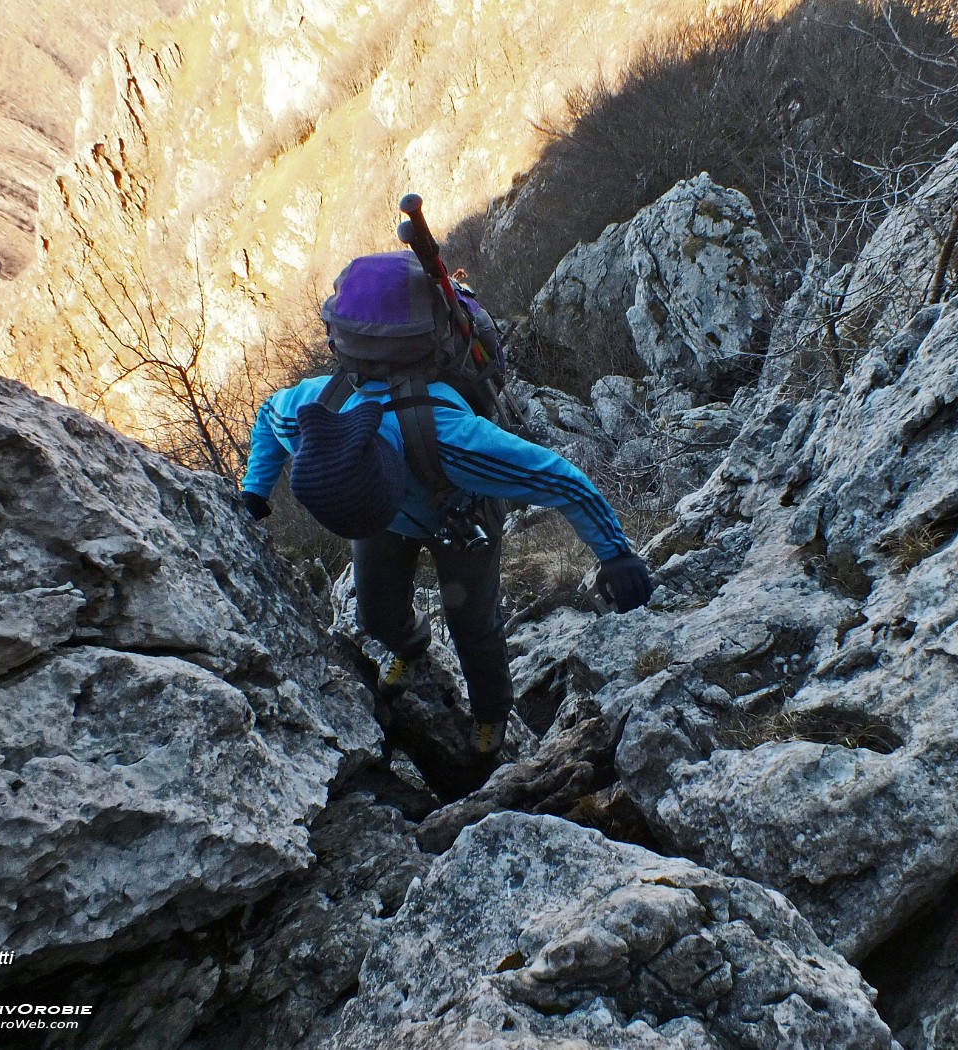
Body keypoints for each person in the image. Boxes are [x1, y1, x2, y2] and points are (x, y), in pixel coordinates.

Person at [239, 257, 652, 762]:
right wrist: (255, 492)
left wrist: (616, 554)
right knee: (374, 611)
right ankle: (410, 645)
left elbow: (560, 478)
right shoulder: (312, 413)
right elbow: (266, 416)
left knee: (472, 623)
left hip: (462, 513)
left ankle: (492, 712)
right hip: (384, 512)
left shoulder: (452, 439)